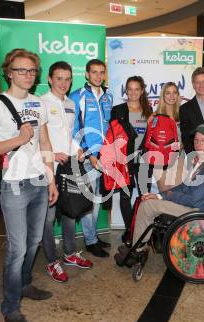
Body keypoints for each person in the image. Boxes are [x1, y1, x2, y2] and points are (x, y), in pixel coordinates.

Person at [0, 48, 58, 322]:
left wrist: (52, 179)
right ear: (9, 72)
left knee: (33, 243)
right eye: (21, 70)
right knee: (18, 248)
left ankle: (24, 284)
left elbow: (45, 142)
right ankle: (10, 307)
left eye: (32, 70)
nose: (28, 75)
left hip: (38, 181)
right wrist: (17, 138)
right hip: (14, 185)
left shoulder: (38, 103)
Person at [115, 123, 204, 262]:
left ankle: (137, 250)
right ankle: (138, 245)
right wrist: (159, 195)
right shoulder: (201, 162)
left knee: (148, 206)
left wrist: (168, 196)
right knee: (148, 200)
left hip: (200, 211)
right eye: (196, 140)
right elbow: (183, 187)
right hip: (194, 206)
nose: (198, 144)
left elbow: (194, 200)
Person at [41, 61, 92, 283]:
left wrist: (77, 148)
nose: (63, 83)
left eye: (68, 78)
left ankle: (70, 253)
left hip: (70, 163)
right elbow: (38, 140)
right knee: (49, 217)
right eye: (59, 78)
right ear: (50, 79)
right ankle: (52, 261)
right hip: (47, 165)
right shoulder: (41, 103)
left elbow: (69, 133)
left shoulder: (71, 103)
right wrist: (53, 155)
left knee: (71, 210)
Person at [70, 59, 113, 258]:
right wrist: (89, 154)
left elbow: (109, 127)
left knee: (96, 200)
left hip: (103, 157)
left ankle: (92, 236)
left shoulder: (108, 96)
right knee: (89, 202)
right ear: (86, 74)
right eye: (94, 72)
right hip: (86, 158)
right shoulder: (77, 96)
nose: (98, 76)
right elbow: (74, 129)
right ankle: (90, 241)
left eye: (101, 72)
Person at [110, 76, 152, 236]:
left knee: (144, 196)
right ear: (126, 90)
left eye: (137, 89)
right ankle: (130, 230)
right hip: (124, 160)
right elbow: (112, 135)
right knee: (125, 196)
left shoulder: (148, 111)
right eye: (130, 89)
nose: (133, 93)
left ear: (142, 91)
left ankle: (140, 229)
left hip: (143, 160)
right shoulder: (118, 110)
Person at [155, 82, 185, 191]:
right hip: (161, 162)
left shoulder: (183, 114)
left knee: (178, 195)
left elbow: (188, 137)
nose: (171, 96)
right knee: (165, 194)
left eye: (174, 92)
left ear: (178, 95)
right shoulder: (155, 116)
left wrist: (182, 145)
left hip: (179, 159)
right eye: (168, 93)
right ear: (163, 96)